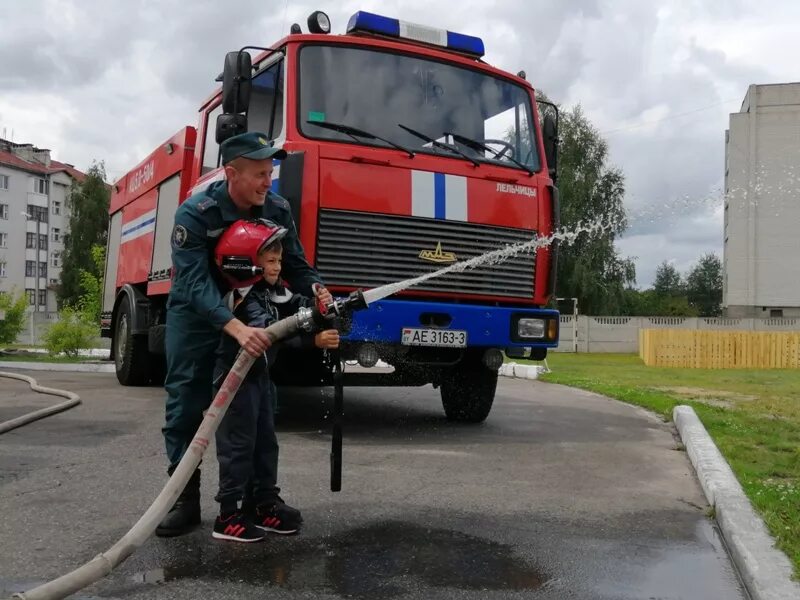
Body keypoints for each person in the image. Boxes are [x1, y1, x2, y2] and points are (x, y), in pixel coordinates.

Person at [156, 132, 331, 538]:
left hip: (253, 311)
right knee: (186, 401)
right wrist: (234, 327)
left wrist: (318, 289)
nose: (267, 182)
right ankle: (182, 498)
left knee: (257, 406)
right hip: (198, 315)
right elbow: (197, 283)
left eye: (270, 173)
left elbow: (296, 265)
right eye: (259, 174)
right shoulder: (195, 213)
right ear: (231, 173)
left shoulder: (276, 208)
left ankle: (257, 499)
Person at [211, 219, 339, 542]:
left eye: (279, 260)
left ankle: (263, 503)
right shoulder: (243, 297)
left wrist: (319, 307)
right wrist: (313, 342)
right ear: (248, 260)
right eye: (271, 260)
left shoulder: (273, 291)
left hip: (260, 379)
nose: (277, 266)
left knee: (266, 442)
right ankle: (228, 514)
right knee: (238, 446)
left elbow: (294, 306)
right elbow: (270, 332)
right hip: (236, 381)